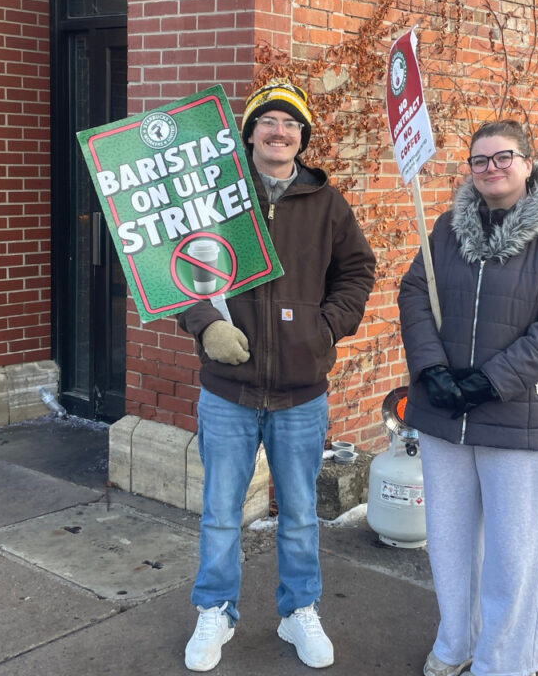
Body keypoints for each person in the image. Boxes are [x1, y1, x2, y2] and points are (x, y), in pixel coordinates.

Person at [176, 79, 376, 672]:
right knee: (220, 512)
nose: (279, 131)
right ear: (251, 132)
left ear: (302, 136)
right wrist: (205, 322)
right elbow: (173, 269)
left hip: (300, 393)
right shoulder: (214, 196)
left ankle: (298, 611)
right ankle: (215, 610)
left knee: (298, 515)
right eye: (268, 121)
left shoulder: (326, 202)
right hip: (228, 391)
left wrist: (324, 328)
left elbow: (358, 271)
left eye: (290, 123)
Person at [398, 120, 538, 676]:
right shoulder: (444, 230)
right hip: (445, 415)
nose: (490, 169)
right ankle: (457, 642)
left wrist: (490, 381)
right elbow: (416, 292)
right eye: (479, 160)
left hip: (518, 417)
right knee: (451, 546)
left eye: (502, 157)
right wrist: (431, 368)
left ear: (527, 163)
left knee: (514, 554)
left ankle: (505, 661)